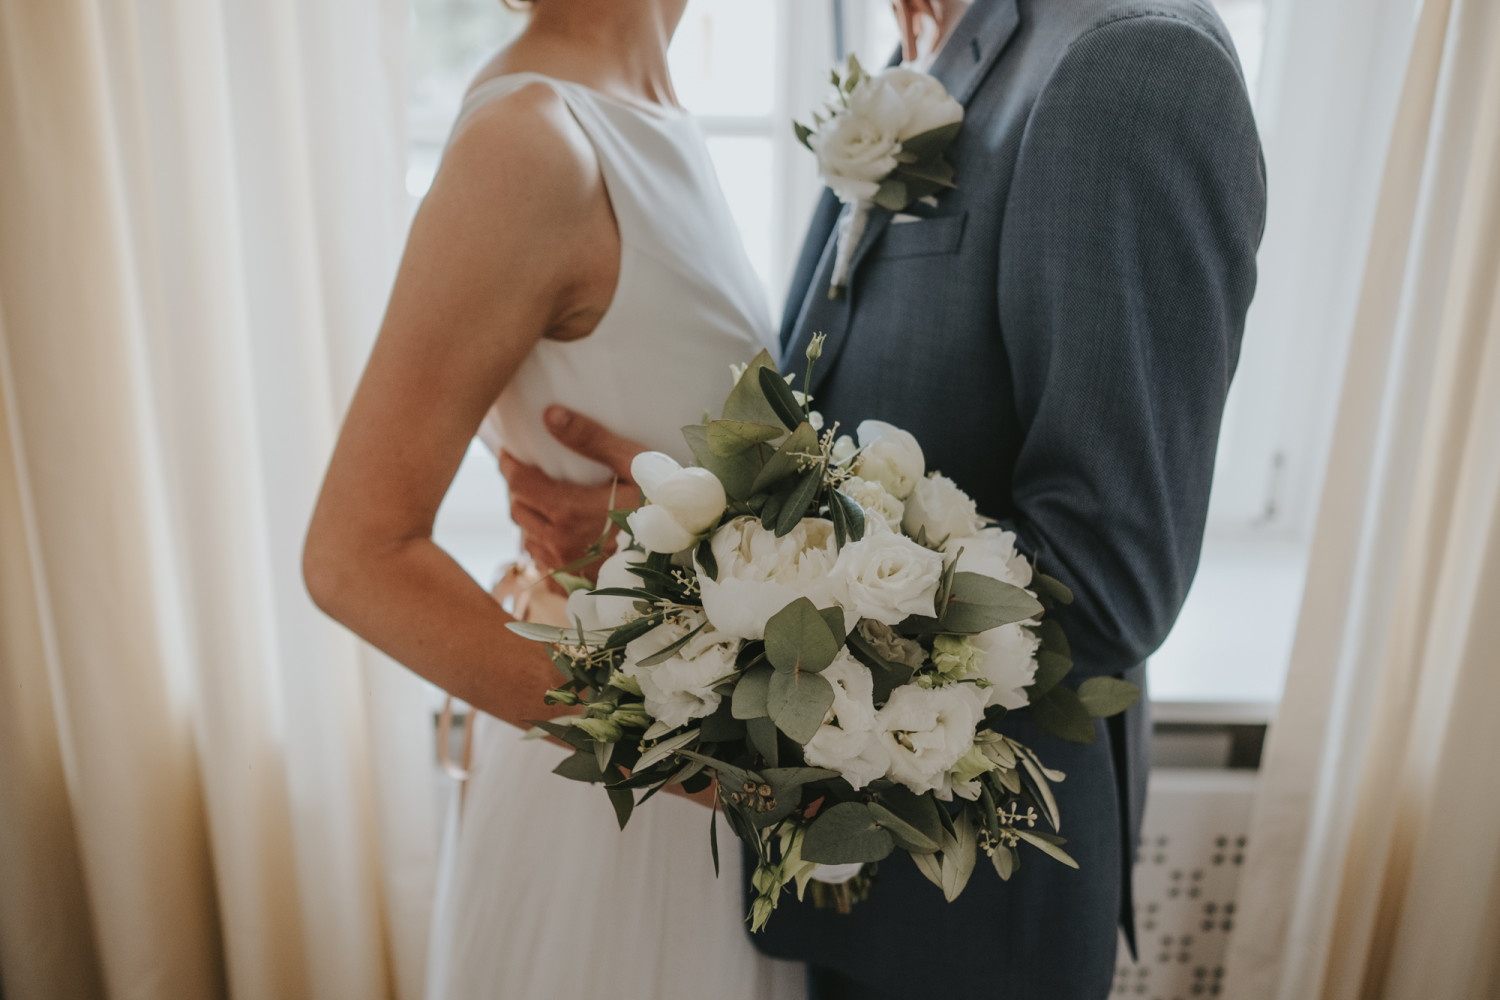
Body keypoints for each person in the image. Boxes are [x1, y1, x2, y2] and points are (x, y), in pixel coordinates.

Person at [499, 0, 1267, 997]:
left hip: (967, 926)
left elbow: (1106, 582)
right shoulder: (930, 47)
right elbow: (837, 442)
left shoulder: (1129, 70)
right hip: (838, 884)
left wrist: (685, 559)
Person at [302, 0, 805, 996]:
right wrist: (698, 760)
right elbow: (353, 558)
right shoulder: (532, 143)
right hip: (624, 808)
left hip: (709, 797)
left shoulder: (652, 107)